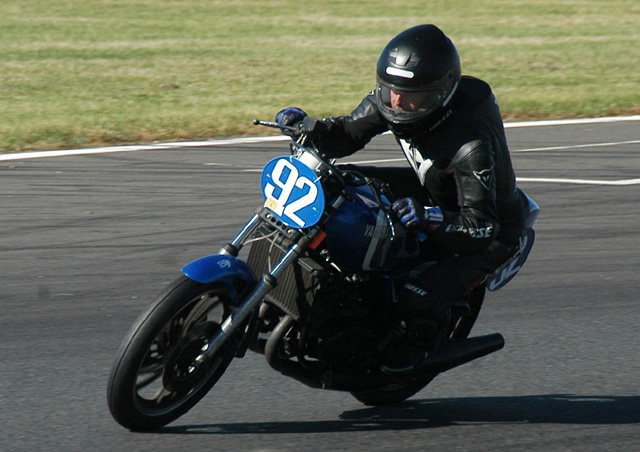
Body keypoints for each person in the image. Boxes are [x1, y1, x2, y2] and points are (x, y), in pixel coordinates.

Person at [275, 24, 528, 375]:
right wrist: (310, 127)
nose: (396, 102)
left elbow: (482, 226)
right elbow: (347, 134)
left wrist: (430, 218)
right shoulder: (397, 97)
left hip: (488, 227)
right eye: (390, 89)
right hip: (432, 190)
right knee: (336, 184)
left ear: (441, 93)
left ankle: (413, 352)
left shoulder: (470, 147)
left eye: (410, 95)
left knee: (412, 297)